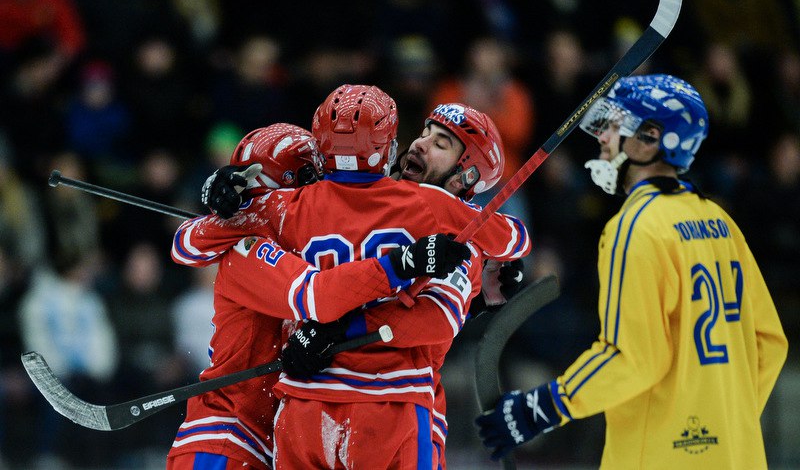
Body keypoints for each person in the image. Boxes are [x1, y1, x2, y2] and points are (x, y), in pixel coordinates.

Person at [176, 85, 530, 468]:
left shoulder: (448, 230)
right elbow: (514, 237)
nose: (421, 144)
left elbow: (435, 318)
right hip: (279, 419)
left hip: (345, 407)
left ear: (467, 175)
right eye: (424, 132)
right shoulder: (410, 207)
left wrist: (335, 330)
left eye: (440, 143)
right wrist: (223, 199)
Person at [475, 74, 788, 469]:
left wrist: (542, 407)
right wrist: (724, 421)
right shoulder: (720, 222)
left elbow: (633, 356)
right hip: (736, 455)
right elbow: (770, 344)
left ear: (651, 139)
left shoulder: (635, 227)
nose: (603, 137)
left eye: (615, 125)